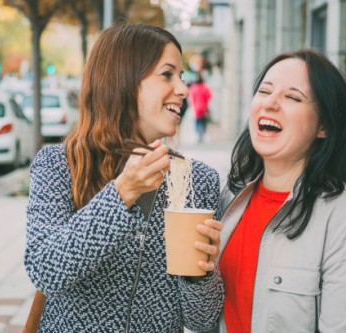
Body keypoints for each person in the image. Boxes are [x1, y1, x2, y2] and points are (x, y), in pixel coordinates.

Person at [24, 24, 224, 332]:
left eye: (182, 77)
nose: (183, 90)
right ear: (124, 80)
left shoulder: (198, 181)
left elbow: (202, 320)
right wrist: (121, 194)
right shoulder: (60, 165)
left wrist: (199, 275)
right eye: (167, 74)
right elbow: (46, 270)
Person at [217, 49, 346, 332]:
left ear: (324, 126)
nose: (270, 103)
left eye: (292, 97)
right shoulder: (231, 195)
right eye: (264, 91)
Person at [189, 73, 212, 143]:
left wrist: (192, 105)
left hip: (196, 107)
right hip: (204, 107)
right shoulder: (205, 87)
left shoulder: (193, 87)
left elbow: (191, 98)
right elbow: (209, 96)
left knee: (198, 121)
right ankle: (202, 133)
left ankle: (199, 134)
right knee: (203, 121)